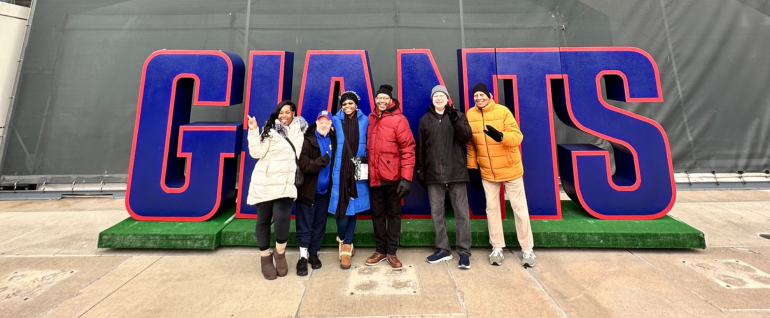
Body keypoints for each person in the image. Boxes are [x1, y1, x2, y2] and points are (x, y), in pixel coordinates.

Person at [465, 82, 536, 268]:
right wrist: (472, 168)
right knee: (492, 209)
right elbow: (471, 145)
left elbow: (518, 137)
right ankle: (497, 247)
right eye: (476, 96)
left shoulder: (503, 111)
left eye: (482, 95)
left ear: (489, 95)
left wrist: (502, 137)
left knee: (519, 209)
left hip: (510, 168)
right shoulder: (470, 114)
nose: (479, 99)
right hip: (488, 171)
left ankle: (527, 249)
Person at [246, 100, 308, 280]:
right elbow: (256, 153)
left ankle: (279, 254)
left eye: (287, 112)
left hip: (286, 183)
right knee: (264, 220)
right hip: (265, 181)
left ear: (294, 114)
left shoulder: (301, 130)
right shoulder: (270, 130)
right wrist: (253, 130)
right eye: (281, 112)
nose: (284, 115)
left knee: (282, 219)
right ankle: (265, 258)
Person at [416, 85, 474, 269]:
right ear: (432, 99)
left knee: (462, 214)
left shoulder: (458, 115)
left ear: (447, 98)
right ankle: (443, 249)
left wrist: (456, 118)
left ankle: (464, 252)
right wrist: (420, 170)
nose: (438, 98)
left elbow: (467, 137)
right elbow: (421, 149)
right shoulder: (425, 120)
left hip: (456, 172)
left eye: (442, 95)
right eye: (436, 96)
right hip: (434, 174)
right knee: (437, 214)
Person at [365, 84, 416, 270]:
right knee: (377, 214)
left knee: (393, 215)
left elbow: (408, 149)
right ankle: (380, 250)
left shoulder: (399, 120)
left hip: (393, 178)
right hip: (374, 177)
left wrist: (406, 178)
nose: (382, 101)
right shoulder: (370, 118)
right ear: (376, 100)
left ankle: (392, 252)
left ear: (391, 100)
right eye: (379, 98)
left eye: (385, 98)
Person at [329, 91, 370, 270]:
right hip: (340, 169)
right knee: (342, 210)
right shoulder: (334, 120)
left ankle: (346, 247)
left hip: (358, 170)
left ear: (356, 104)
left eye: (350, 103)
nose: (347, 107)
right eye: (344, 104)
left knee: (353, 209)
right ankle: (343, 238)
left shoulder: (366, 120)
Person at [295, 110, 336, 276]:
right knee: (305, 225)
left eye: (327, 121)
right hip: (308, 191)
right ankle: (302, 258)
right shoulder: (307, 140)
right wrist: (322, 161)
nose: (324, 124)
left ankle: (313, 253)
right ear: (316, 122)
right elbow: (304, 165)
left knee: (320, 223)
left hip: (325, 192)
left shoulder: (334, 138)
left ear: (331, 124)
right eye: (321, 121)